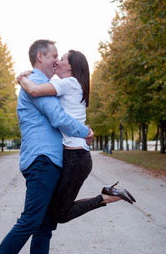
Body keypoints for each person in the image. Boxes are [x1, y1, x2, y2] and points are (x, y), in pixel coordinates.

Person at [0, 39, 94, 254]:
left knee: (44, 225)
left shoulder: (37, 82)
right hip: (42, 160)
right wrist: (84, 131)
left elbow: (63, 112)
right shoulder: (37, 85)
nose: (56, 60)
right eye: (53, 55)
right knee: (29, 222)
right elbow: (58, 118)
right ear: (41, 57)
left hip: (48, 160)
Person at [16, 50, 136, 223]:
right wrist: (29, 74)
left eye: (62, 59)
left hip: (76, 157)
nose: (57, 61)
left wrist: (21, 79)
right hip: (74, 155)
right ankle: (106, 195)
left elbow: (34, 90)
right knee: (54, 209)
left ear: (70, 66)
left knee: (60, 214)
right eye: (55, 58)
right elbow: (43, 80)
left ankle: (106, 197)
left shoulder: (70, 83)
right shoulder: (69, 84)